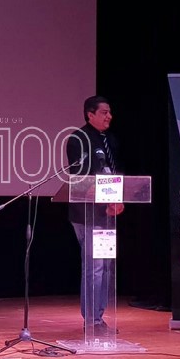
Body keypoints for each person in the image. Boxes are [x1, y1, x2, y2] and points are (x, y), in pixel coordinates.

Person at [65, 95, 125, 333]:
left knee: (106, 266)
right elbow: (80, 179)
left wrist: (117, 199)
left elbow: (115, 173)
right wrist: (104, 198)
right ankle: (91, 320)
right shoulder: (78, 139)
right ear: (90, 114)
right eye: (104, 112)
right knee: (95, 266)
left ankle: (99, 317)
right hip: (87, 213)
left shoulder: (111, 140)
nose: (109, 116)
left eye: (110, 112)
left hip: (107, 212)